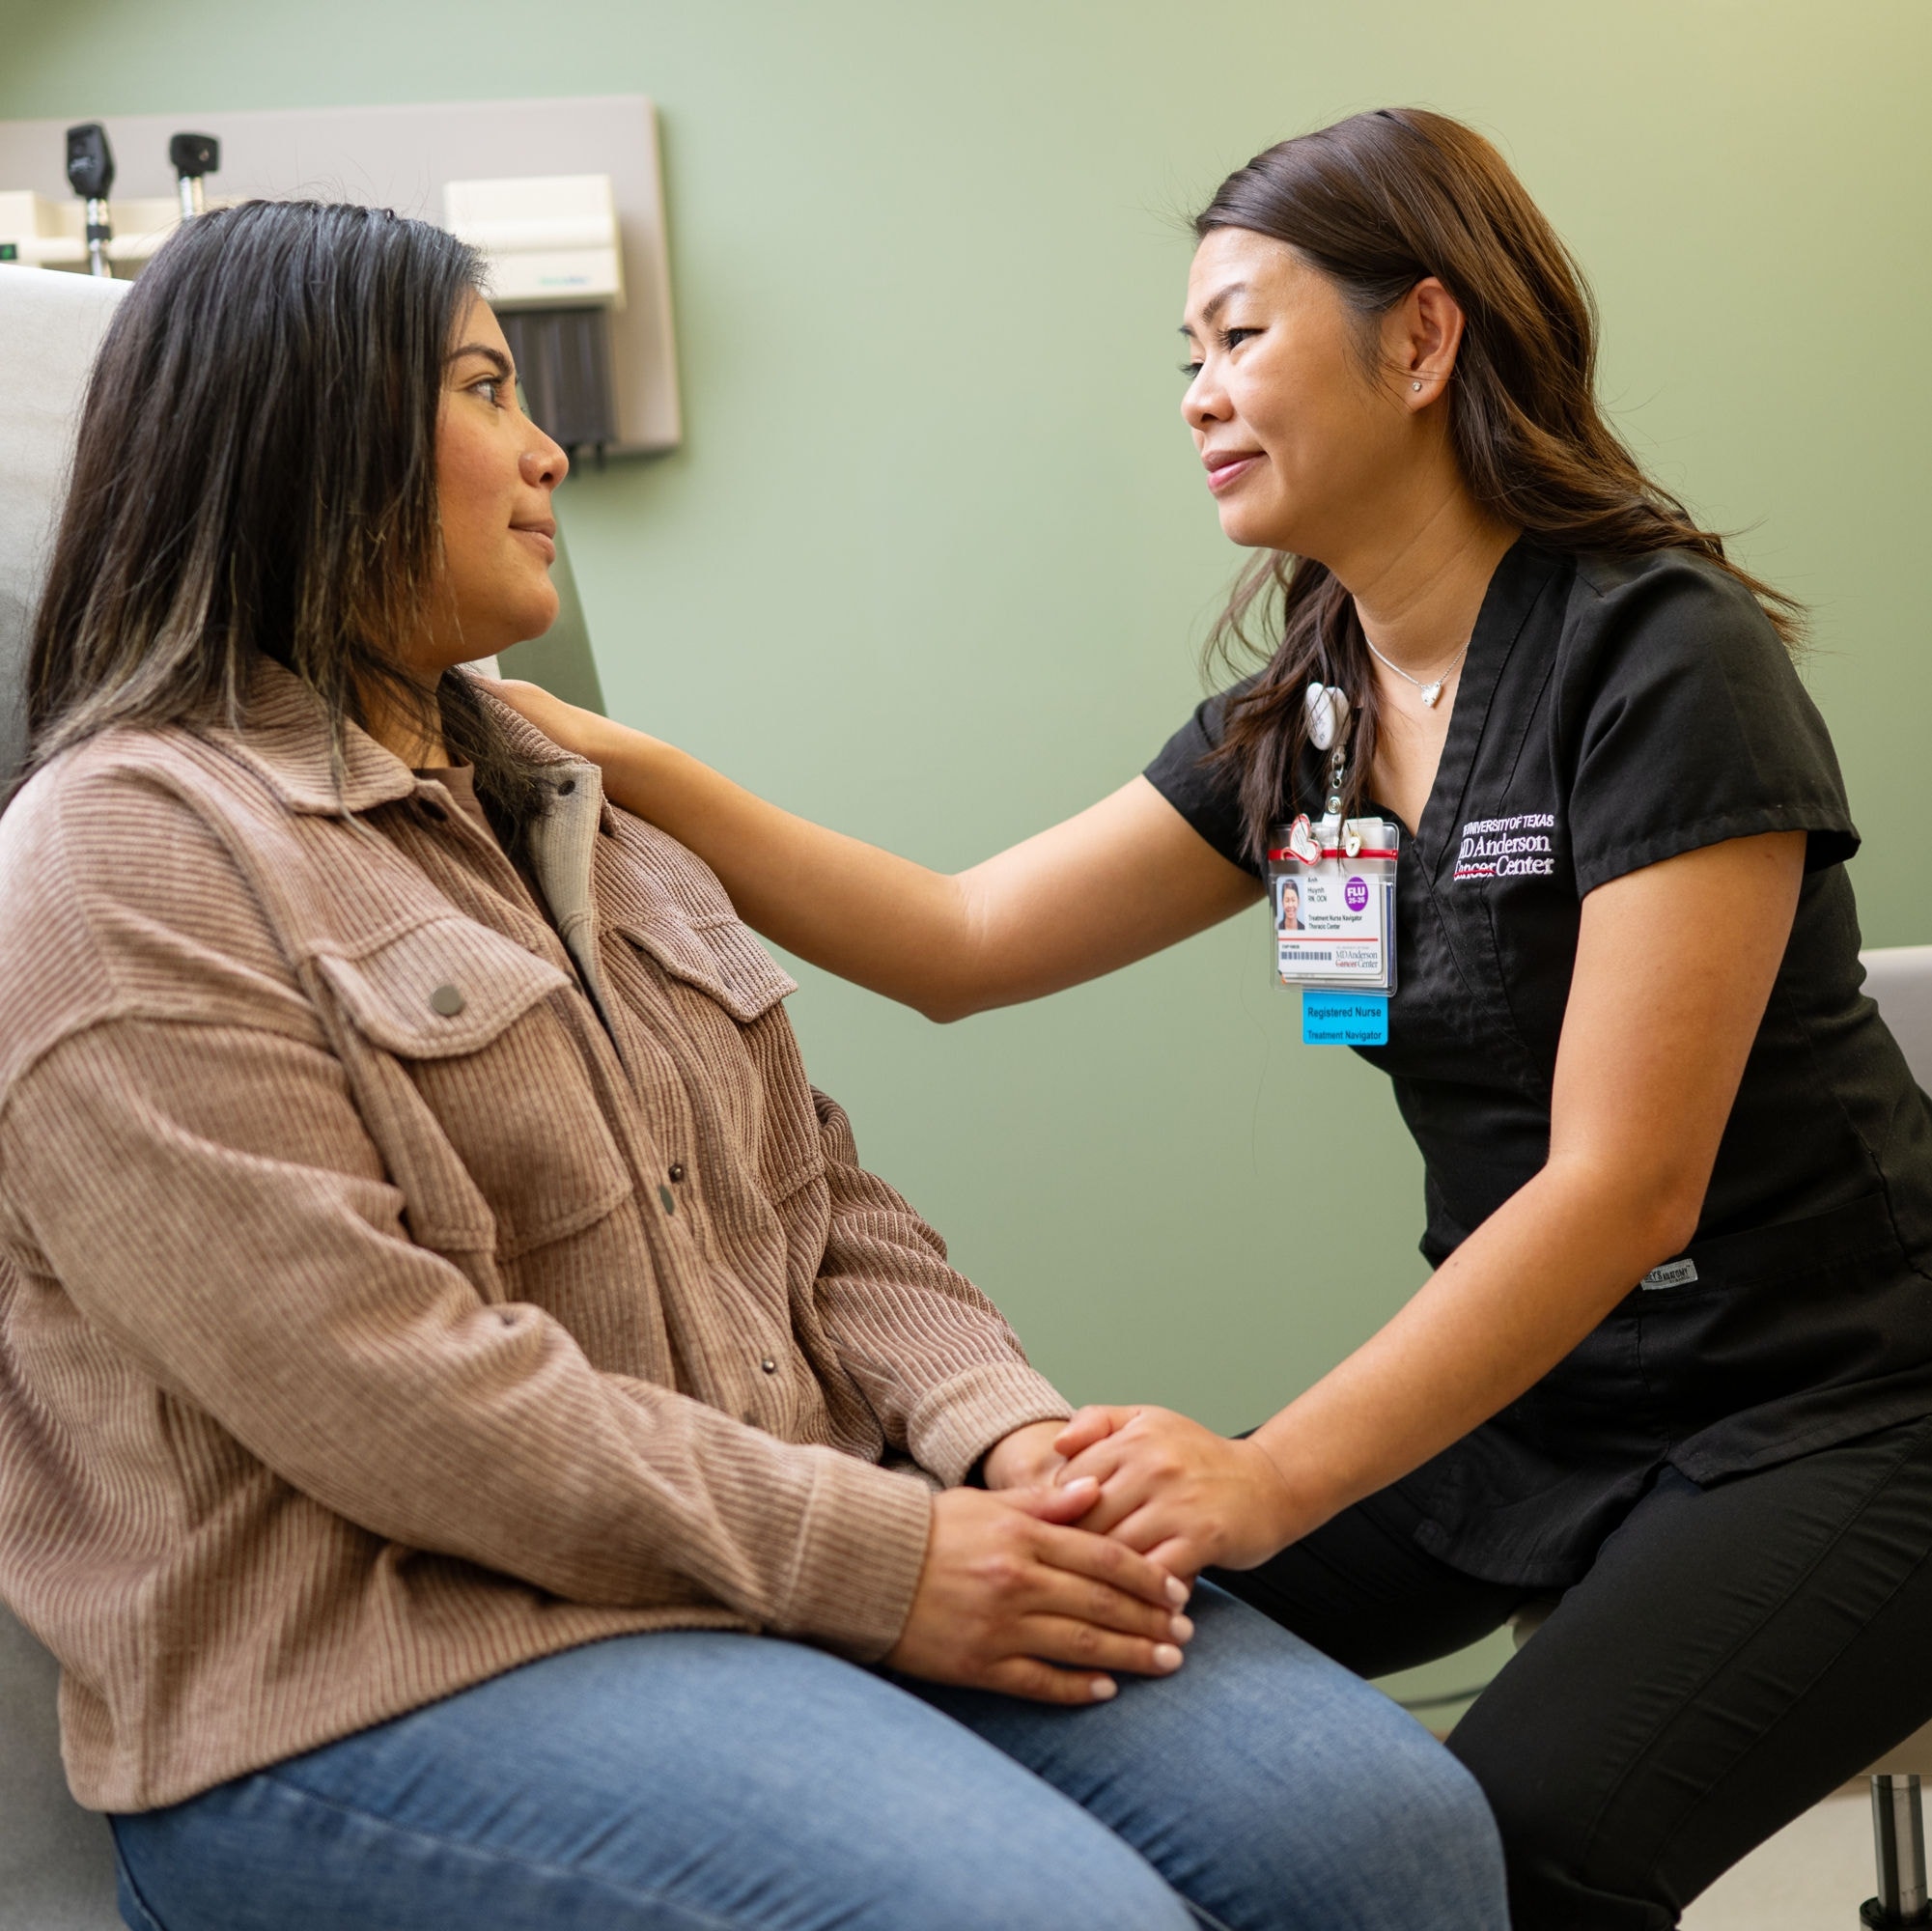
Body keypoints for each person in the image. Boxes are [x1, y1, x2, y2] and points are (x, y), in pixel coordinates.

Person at [495, 107, 1932, 1929]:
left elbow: (1619, 1186)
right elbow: (960, 940)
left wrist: (1261, 1475)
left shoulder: (1658, 654)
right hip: (1553, 1399)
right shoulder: (1312, 707)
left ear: (1421, 339)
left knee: (1509, 1849)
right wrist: (618, 760)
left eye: (1238, 336)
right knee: (1086, 1631)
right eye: (1184, 356)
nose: (1196, 396)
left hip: (1841, 1405)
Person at [0, 199, 1508, 1931]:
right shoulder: (121, 861)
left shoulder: (586, 820)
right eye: (486, 389)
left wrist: (1009, 1442)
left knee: (1390, 1834)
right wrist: (885, 1563)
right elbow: (384, 1388)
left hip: (781, 1555)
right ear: (305, 431)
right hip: (387, 1667)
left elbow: (825, 1206)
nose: (547, 450)